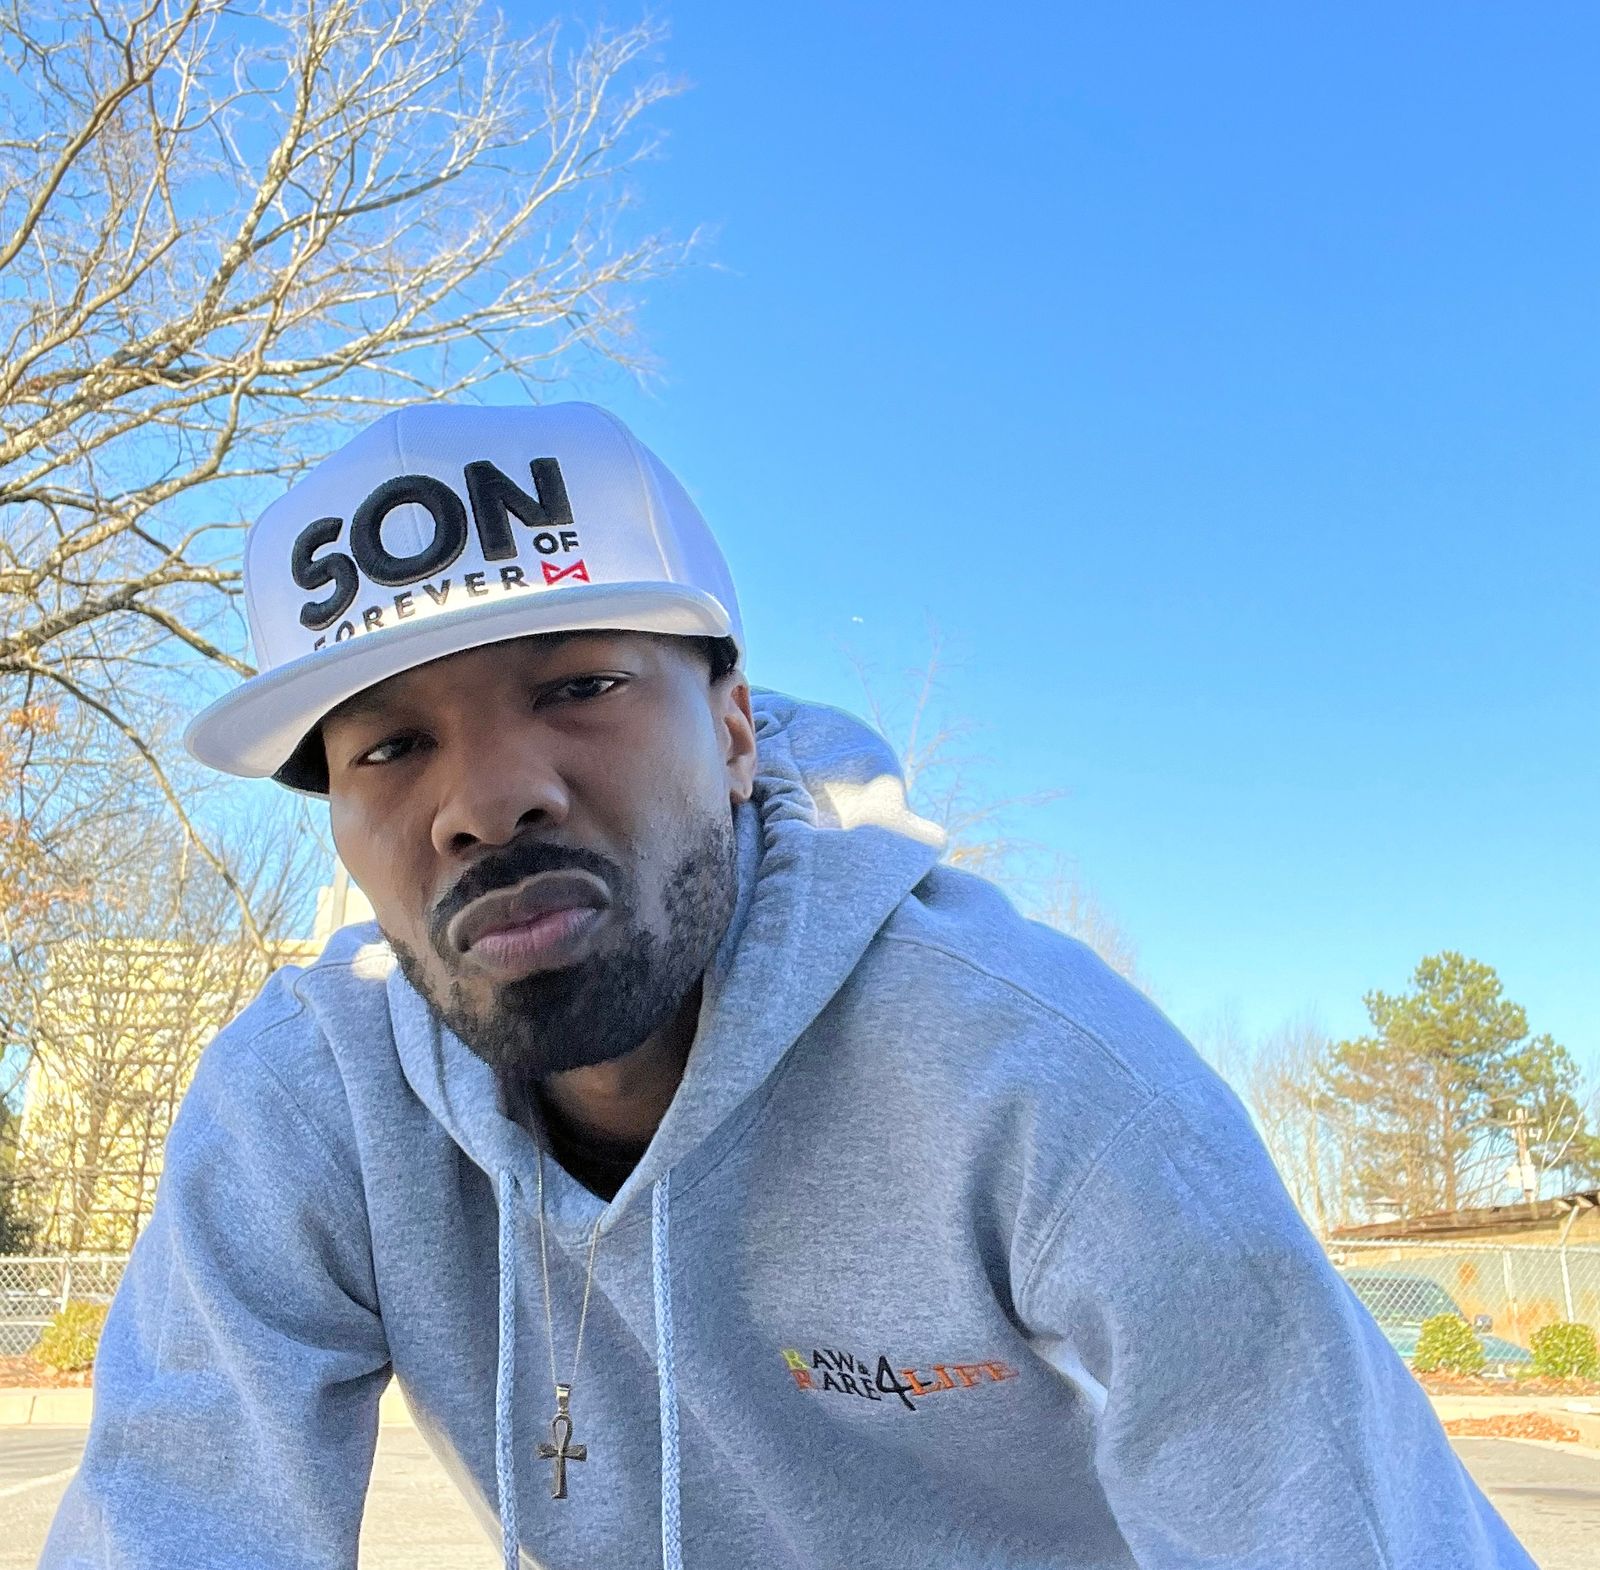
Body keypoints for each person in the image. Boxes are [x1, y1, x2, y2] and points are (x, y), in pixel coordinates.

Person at [40, 402, 1534, 1570]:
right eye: (389, 745)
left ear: (737, 729)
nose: (488, 801)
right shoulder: (305, 1111)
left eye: (579, 685)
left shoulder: (1043, 1084)